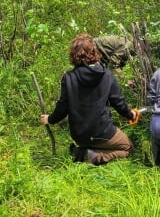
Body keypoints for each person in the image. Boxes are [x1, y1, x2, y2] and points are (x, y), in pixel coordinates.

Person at [40, 33, 138, 165]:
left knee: (91, 141)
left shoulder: (68, 77)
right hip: (103, 132)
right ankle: (95, 157)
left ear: (73, 55)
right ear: (94, 52)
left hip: (79, 135)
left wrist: (49, 119)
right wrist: (130, 114)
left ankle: (84, 151)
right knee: (129, 147)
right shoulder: (107, 75)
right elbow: (119, 103)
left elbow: (62, 108)